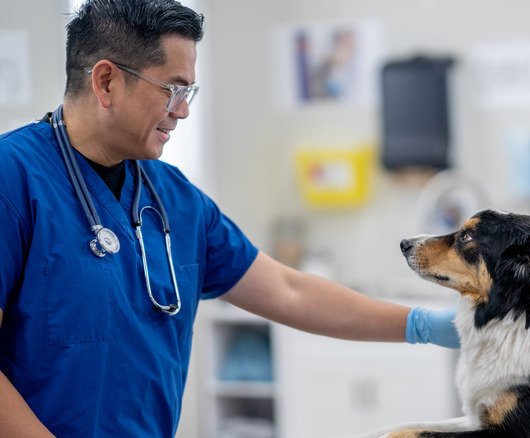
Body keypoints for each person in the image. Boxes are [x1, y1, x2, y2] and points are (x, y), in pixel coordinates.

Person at [0, 1, 458, 436]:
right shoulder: (14, 178)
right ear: (106, 82)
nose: (182, 110)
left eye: (189, 91)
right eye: (173, 89)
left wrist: (421, 325)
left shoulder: (175, 200)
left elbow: (288, 291)